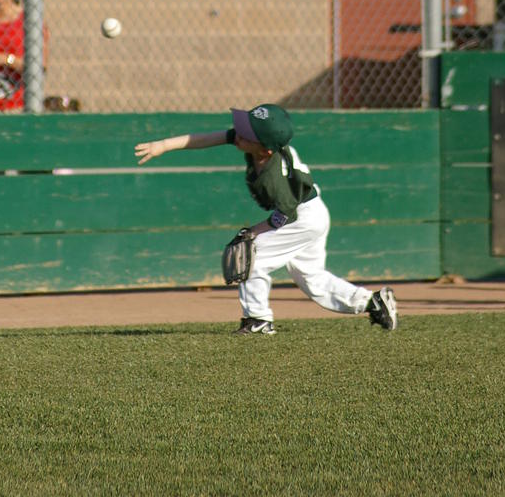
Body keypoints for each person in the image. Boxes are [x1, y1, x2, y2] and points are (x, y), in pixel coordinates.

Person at [135, 102, 398, 336]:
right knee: (312, 278)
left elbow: (286, 215)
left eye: (248, 134)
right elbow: (208, 138)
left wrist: (253, 232)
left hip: (302, 217)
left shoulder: (274, 178)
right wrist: (163, 146)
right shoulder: (257, 145)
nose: (239, 134)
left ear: (266, 150)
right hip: (310, 211)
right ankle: (372, 302)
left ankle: (258, 319)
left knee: (252, 256)